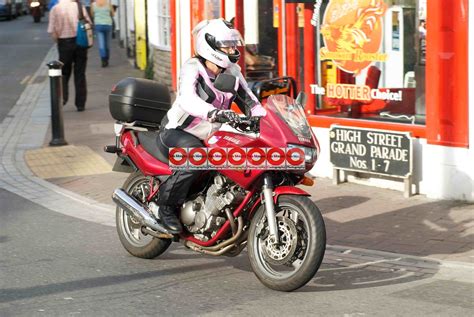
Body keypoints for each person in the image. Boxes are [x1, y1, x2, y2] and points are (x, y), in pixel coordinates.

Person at [156, 18, 267, 233]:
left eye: (233, 45)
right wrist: (214, 113)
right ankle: (166, 208)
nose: (233, 49)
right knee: (196, 157)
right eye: (227, 45)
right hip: (177, 132)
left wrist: (266, 120)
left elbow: (250, 102)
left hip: (209, 136)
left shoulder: (233, 72)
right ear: (210, 45)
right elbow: (187, 99)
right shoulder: (193, 67)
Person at [48, 0, 92, 112]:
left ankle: (62, 99)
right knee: (80, 73)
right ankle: (80, 104)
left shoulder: (55, 9)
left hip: (64, 43)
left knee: (63, 73)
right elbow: (88, 24)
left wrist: (57, 40)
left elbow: (52, 30)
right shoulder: (79, 6)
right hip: (80, 42)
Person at [91, 0, 114, 67]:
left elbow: (92, 15)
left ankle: (103, 60)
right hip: (108, 25)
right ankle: (107, 58)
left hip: (98, 25)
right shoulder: (108, 4)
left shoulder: (93, 4)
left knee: (101, 44)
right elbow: (112, 14)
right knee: (107, 44)